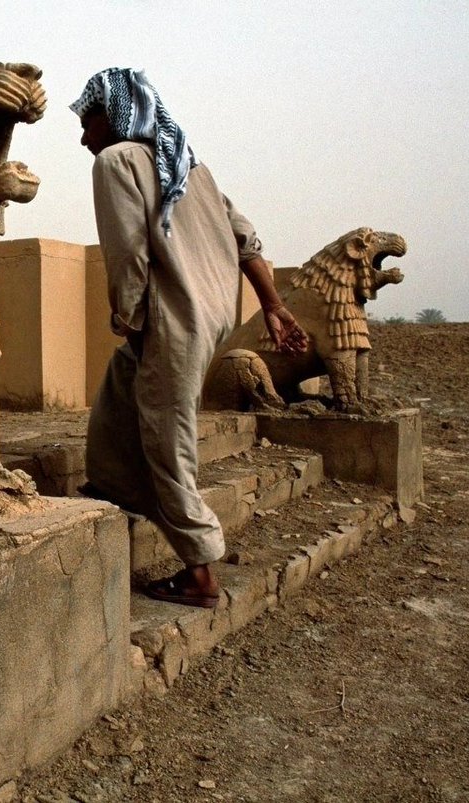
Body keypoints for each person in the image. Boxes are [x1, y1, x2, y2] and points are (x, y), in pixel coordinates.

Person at [73, 68, 308, 607]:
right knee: (116, 399)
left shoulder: (116, 162)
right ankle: (114, 489)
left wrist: (130, 317)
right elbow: (246, 238)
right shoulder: (188, 166)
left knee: (166, 439)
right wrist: (273, 306)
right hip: (206, 321)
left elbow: (128, 252)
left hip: (170, 323)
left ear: (113, 117)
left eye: (88, 123)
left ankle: (200, 570)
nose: (84, 137)